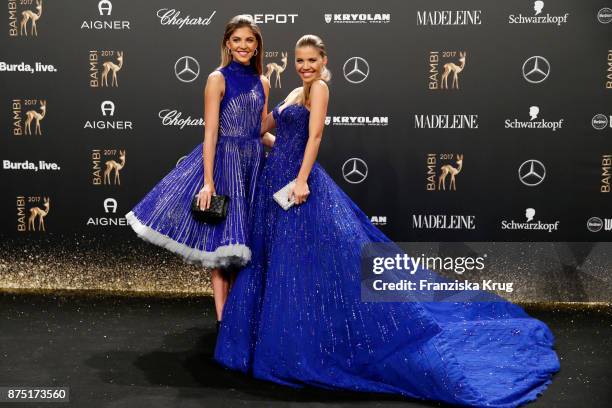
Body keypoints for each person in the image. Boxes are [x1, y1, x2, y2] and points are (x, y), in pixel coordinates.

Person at [214, 34, 560, 407]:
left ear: (323, 60)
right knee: (281, 266)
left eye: (312, 60)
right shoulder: (294, 93)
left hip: (298, 187)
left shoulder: (321, 90)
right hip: (273, 184)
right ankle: (279, 339)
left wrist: (300, 180)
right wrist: (245, 114)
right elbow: (262, 128)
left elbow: (314, 137)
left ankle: (306, 345)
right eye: (300, 61)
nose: (306, 67)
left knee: (310, 267)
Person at [125, 15, 273, 329]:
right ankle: (224, 321)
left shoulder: (263, 82)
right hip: (225, 164)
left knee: (247, 244)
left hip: (253, 165)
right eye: (237, 40)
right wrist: (208, 182)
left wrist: (287, 147)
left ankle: (239, 314)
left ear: (257, 45)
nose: (243, 46)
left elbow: (259, 129)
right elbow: (209, 133)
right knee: (222, 248)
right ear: (228, 44)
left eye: (249, 40)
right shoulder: (217, 79)